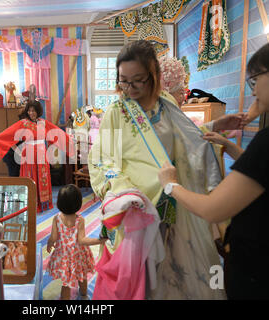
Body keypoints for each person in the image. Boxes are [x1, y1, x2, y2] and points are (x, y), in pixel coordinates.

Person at [158, 30, 269, 300]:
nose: (253, 89)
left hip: (260, 270)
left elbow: (212, 208)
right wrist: (225, 139)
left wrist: (171, 185)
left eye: (256, 78)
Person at [88, 40, 226, 299]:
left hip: (169, 199)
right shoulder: (116, 112)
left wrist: (215, 126)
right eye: (123, 81)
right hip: (135, 206)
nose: (129, 88)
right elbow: (102, 159)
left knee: (168, 268)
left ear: (154, 76)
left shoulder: (166, 103)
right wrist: (122, 190)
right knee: (140, 274)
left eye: (137, 80)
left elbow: (188, 138)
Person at [0, 100, 74, 213]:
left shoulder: (44, 123)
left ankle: (43, 203)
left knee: (42, 178)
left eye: (33, 110)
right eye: (29, 110)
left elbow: (57, 133)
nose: (31, 113)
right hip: (28, 156)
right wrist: (19, 153)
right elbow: (8, 136)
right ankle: (29, 205)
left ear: (38, 111)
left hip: (41, 156)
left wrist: (70, 140)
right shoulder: (22, 123)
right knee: (30, 179)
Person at [46, 184, 107, 300]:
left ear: (59, 202)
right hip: (78, 255)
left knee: (66, 283)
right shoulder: (80, 220)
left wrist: (49, 244)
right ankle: (84, 295)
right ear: (78, 203)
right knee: (82, 276)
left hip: (64, 255)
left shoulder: (57, 218)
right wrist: (99, 241)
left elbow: (53, 237)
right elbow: (82, 240)